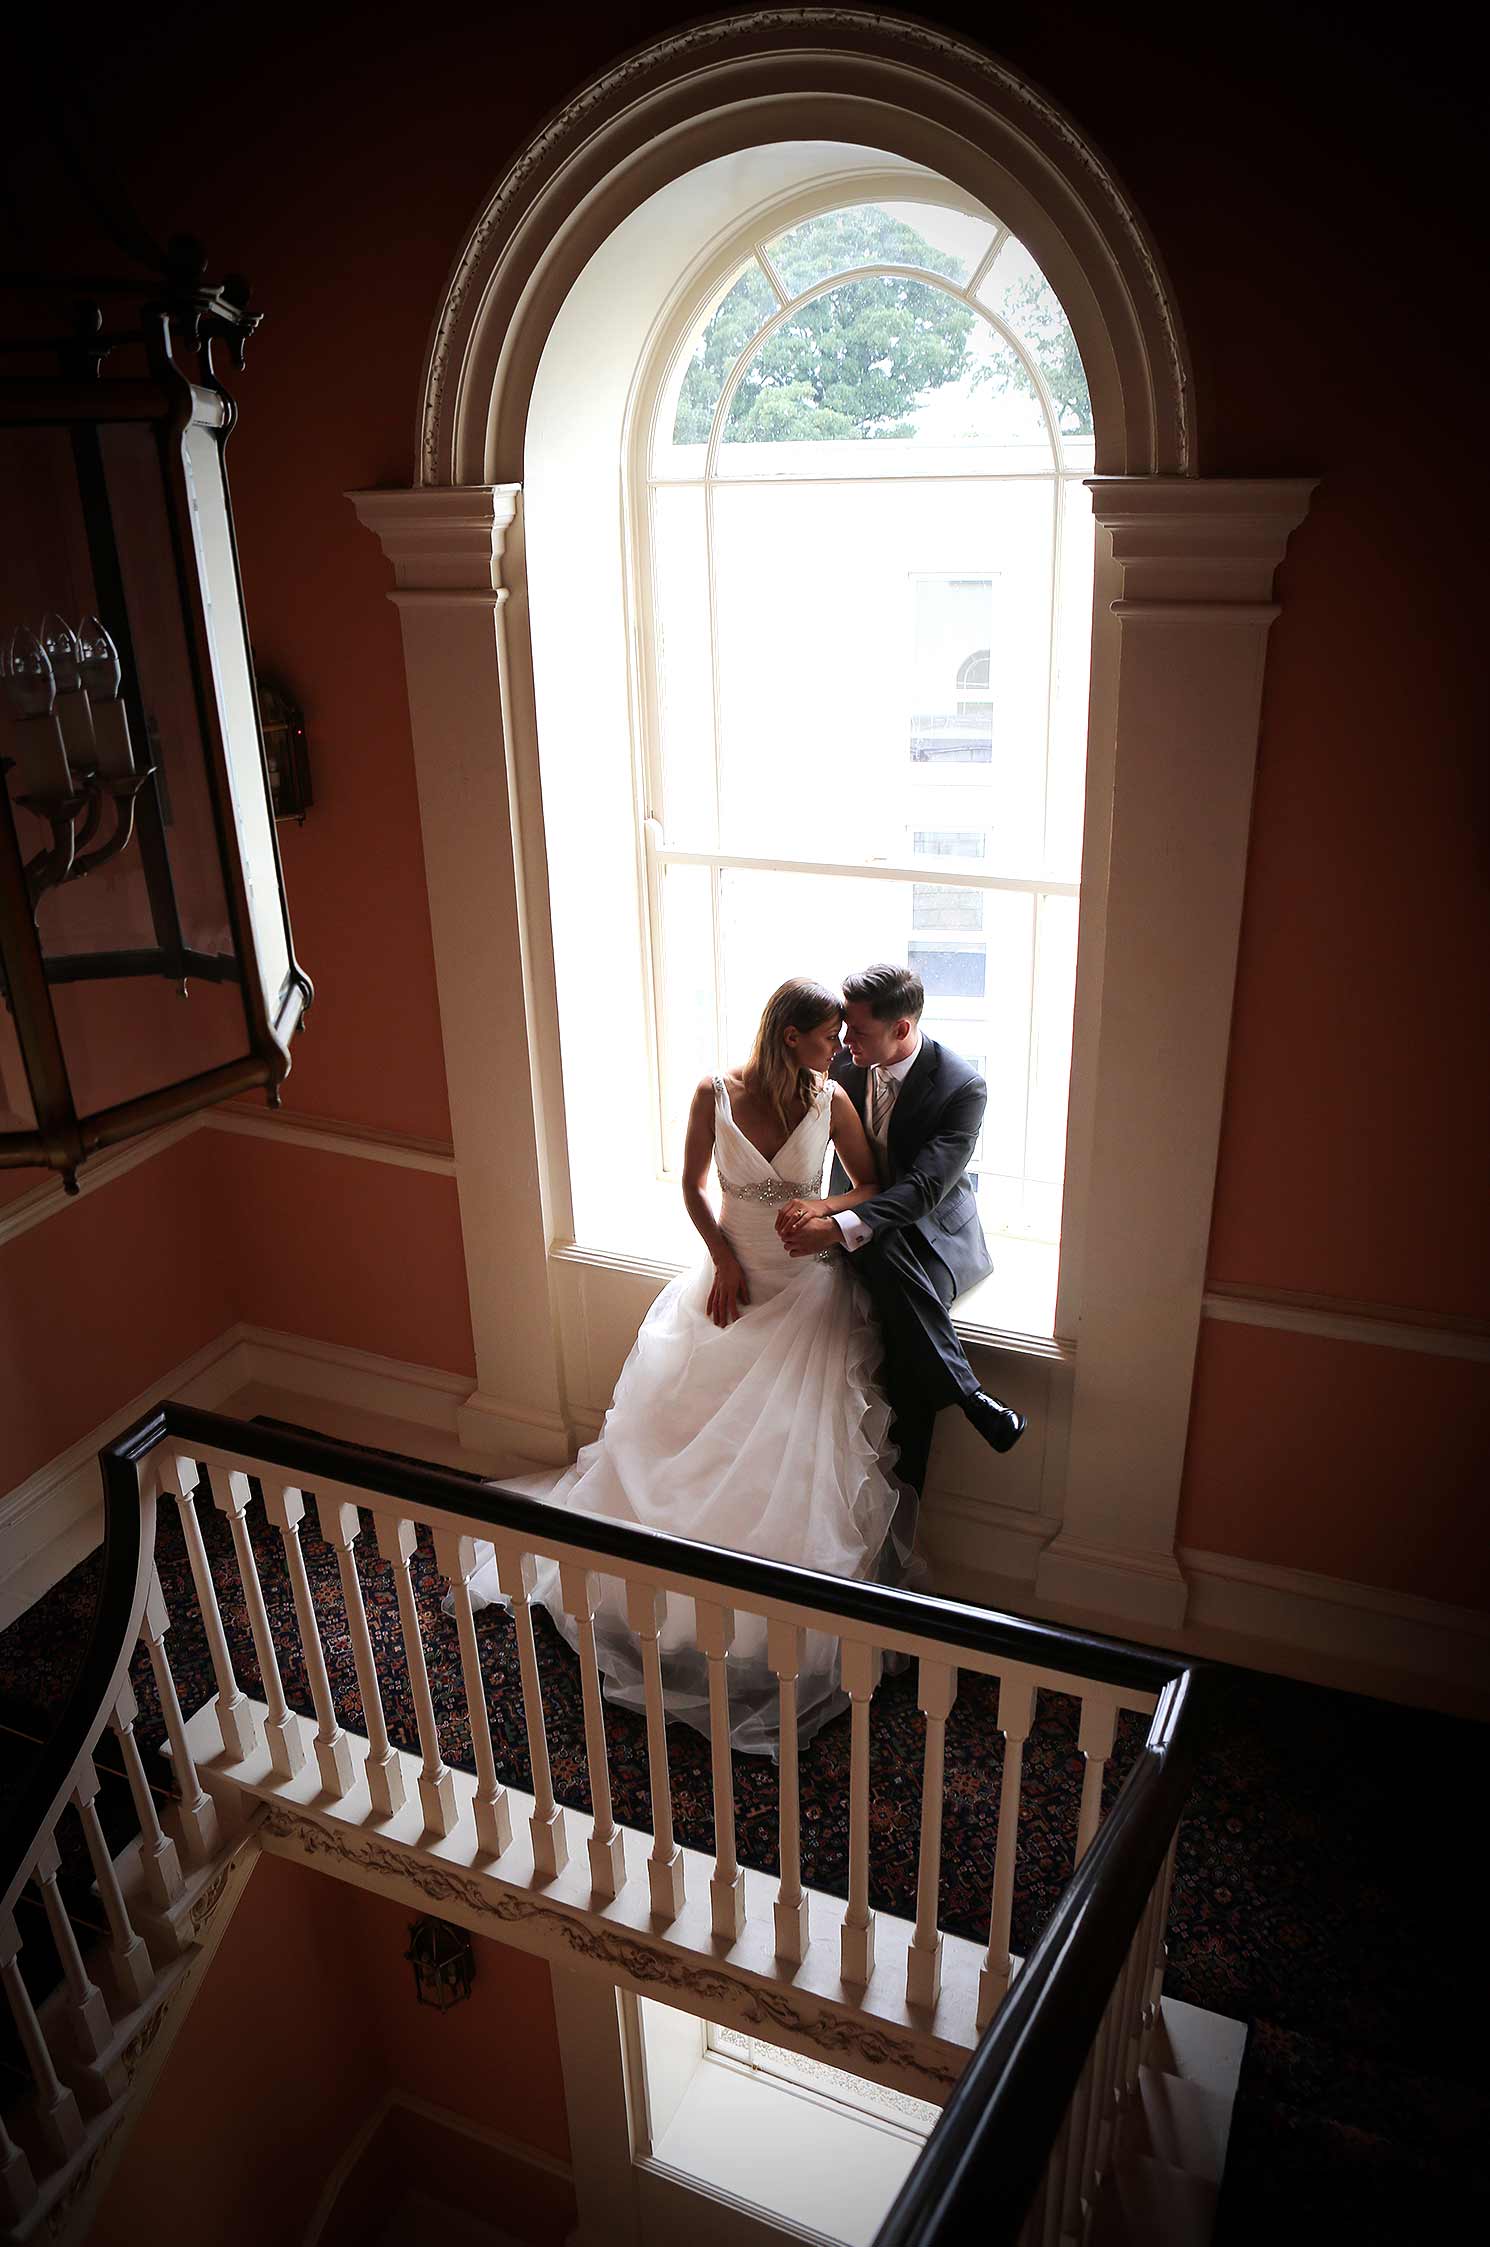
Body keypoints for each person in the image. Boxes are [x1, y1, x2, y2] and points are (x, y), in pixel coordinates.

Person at [449, 977, 908, 1755]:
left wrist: (825, 1210)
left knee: (792, 1455)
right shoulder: (713, 1095)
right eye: (828, 1034)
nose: (838, 1047)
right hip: (732, 1282)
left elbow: (872, 1183)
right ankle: (661, 1609)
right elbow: (694, 1188)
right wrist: (723, 1259)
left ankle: (769, 1633)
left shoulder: (831, 1099)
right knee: (678, 1442)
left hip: (806, 1294)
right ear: (790, 1034)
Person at [776, 962, 1026, 1497]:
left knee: (903, 1347)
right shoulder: (841, 1065)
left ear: (902, 1029)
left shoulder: (962, 1087)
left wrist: (838, 1225)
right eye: (842, 1030)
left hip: (932, 1233)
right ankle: (969, 1397)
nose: (844, 1042)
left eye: (858, 1032)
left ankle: (899, 1513)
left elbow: (922, 1190)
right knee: (876, 1255)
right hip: (857, 1220)